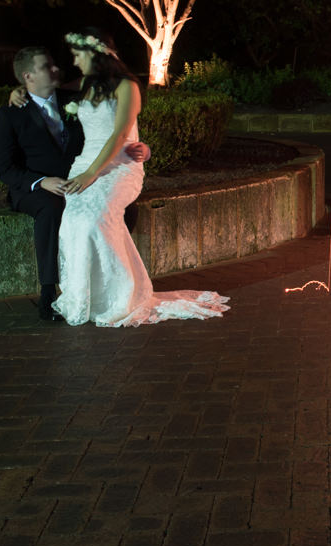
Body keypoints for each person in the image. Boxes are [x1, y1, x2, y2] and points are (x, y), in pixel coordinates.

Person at [52, 29, 229, 325]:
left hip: (119, 166)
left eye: (78, 54)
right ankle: (87, 298)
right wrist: (17, 91)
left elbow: (121, 133)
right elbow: (50, 92)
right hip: (84, 162)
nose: (74, 59)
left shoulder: (127, 86)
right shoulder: (85, 84)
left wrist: (91, 174)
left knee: (98, 219)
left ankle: (122, 296)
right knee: (75, 221)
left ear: (95, 53)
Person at [0, 46, 87, 321]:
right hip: (32, 189)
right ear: (28, 76)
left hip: (75, 181)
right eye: (46, 66)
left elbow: (98, 83)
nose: (56, 69)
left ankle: (90, 284)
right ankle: (48, 291)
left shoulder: (73, 101)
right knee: (51, 207)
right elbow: (6, 169)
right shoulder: (11, 114)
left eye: (53, 64)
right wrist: (41, 181)